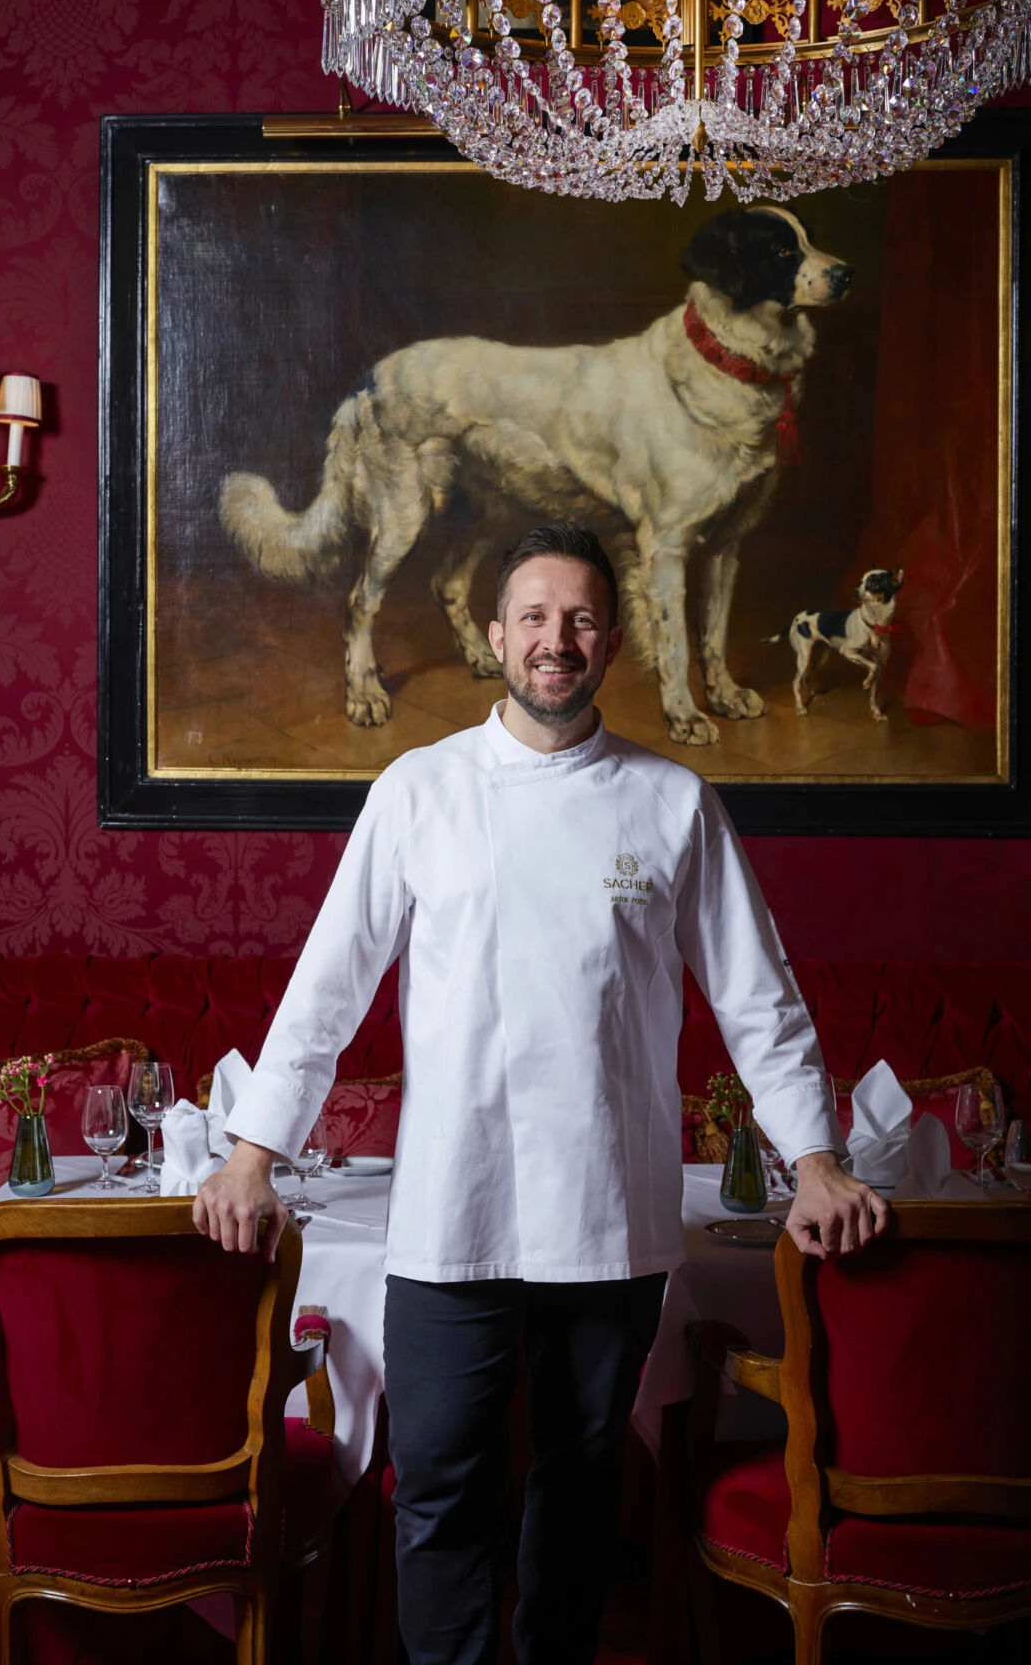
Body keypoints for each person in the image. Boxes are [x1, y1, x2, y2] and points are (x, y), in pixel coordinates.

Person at [194, 520, 885, 1665]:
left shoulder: (672, 802)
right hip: (447, 1213)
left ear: (610, 641)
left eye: (576, 620)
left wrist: (814, 1159)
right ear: (493, 636)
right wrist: (251, 1152)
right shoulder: (417, 791)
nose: (552, 640)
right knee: (438, 1493)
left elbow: (755, 997)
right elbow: (329, 986)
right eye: (531, 618)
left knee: (577, 1493)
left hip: (605, 1214)